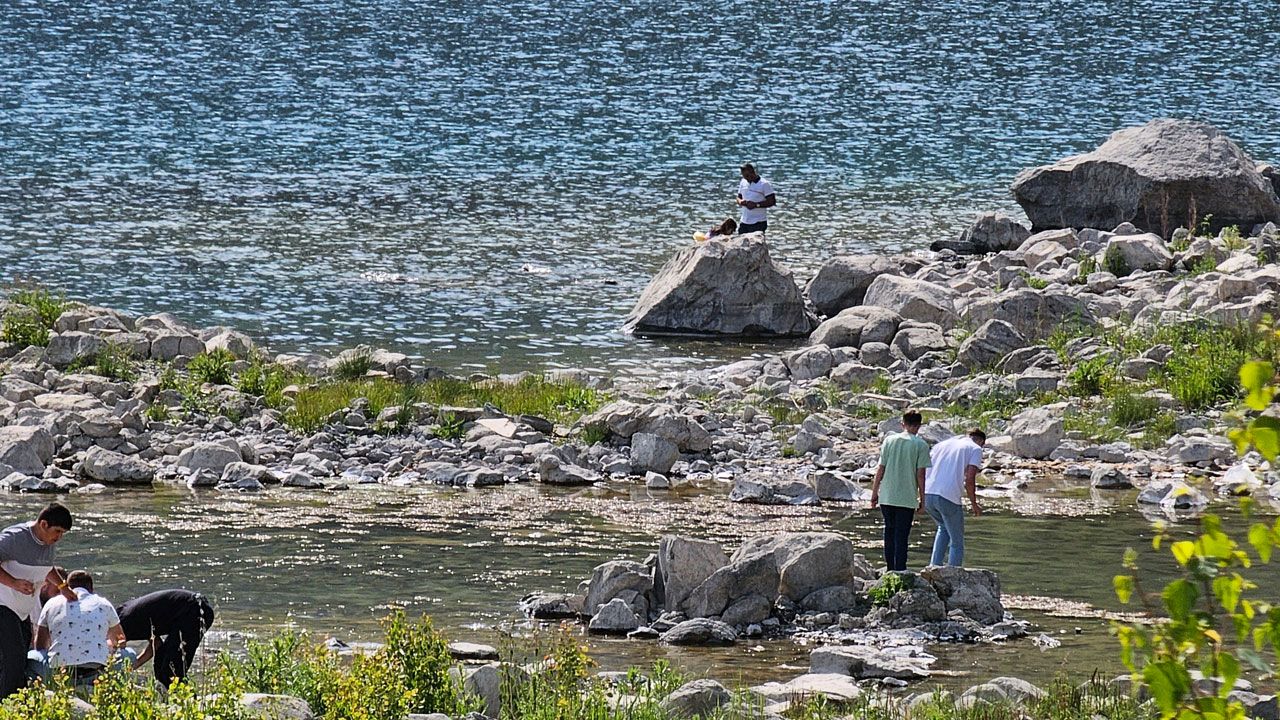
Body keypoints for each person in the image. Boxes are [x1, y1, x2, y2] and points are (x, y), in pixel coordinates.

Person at [0, 503, 75, 698]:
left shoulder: (48, 544)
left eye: (62, 534)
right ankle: (10, 704)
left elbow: (47, 568)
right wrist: (14, 582)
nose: (58, 538)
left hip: (22, 610)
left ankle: (14, 701)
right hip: (3, 605)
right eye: (57, 532)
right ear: (43, 524)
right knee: (13, 659)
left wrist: (63, 588)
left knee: (22, 657)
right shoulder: (15, 538)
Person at [36, 570, 126, 689]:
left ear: (67, 587)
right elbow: (120, 640)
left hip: (60, 672)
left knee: (33, 655)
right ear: (92, 589)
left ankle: (44, 689)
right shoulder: (103, 603)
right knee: (128, 654)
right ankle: (117, 691)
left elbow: (40, 645)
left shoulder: (51, 603)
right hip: (96, 672)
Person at [870, 411, 931, 572]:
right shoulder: (920, 445)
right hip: (907, 497)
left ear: (902, 423)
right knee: (901, 537)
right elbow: (921, 475)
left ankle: (890, 570)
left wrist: (874, 492)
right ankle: (900, 570)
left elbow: (880, 469)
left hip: (887, 496)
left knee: (889, 533)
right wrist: (923, 499)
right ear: (919, 426)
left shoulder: (889, 441)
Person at [117, 589, 215, 687]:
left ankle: (186, 700)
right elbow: (156, 645)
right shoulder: (122, 617)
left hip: (195, 611)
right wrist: (133, 666)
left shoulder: (124, 624)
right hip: (190, 610)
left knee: (170, 673)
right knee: (161, 665)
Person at [924, 429, 986, 567]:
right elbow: (969, 480)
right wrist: (974, 504)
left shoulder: (942, 445)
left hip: (928, 493)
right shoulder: (975, 449)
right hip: (948, 496)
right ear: (981, 442)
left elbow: (925, 468)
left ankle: (934, 567)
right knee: (957, 542)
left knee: (943, 528)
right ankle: (954, 575)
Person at [736, 163, 776, 235]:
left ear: (753, 172)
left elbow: (772, 201)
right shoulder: (743, 182)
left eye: (747, 176)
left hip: (758, 222)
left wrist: (756, 205)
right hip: (744, 221)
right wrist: (741, 202)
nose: (746, 178)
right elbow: (738, 197)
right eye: (744, 176)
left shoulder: (764, 184)